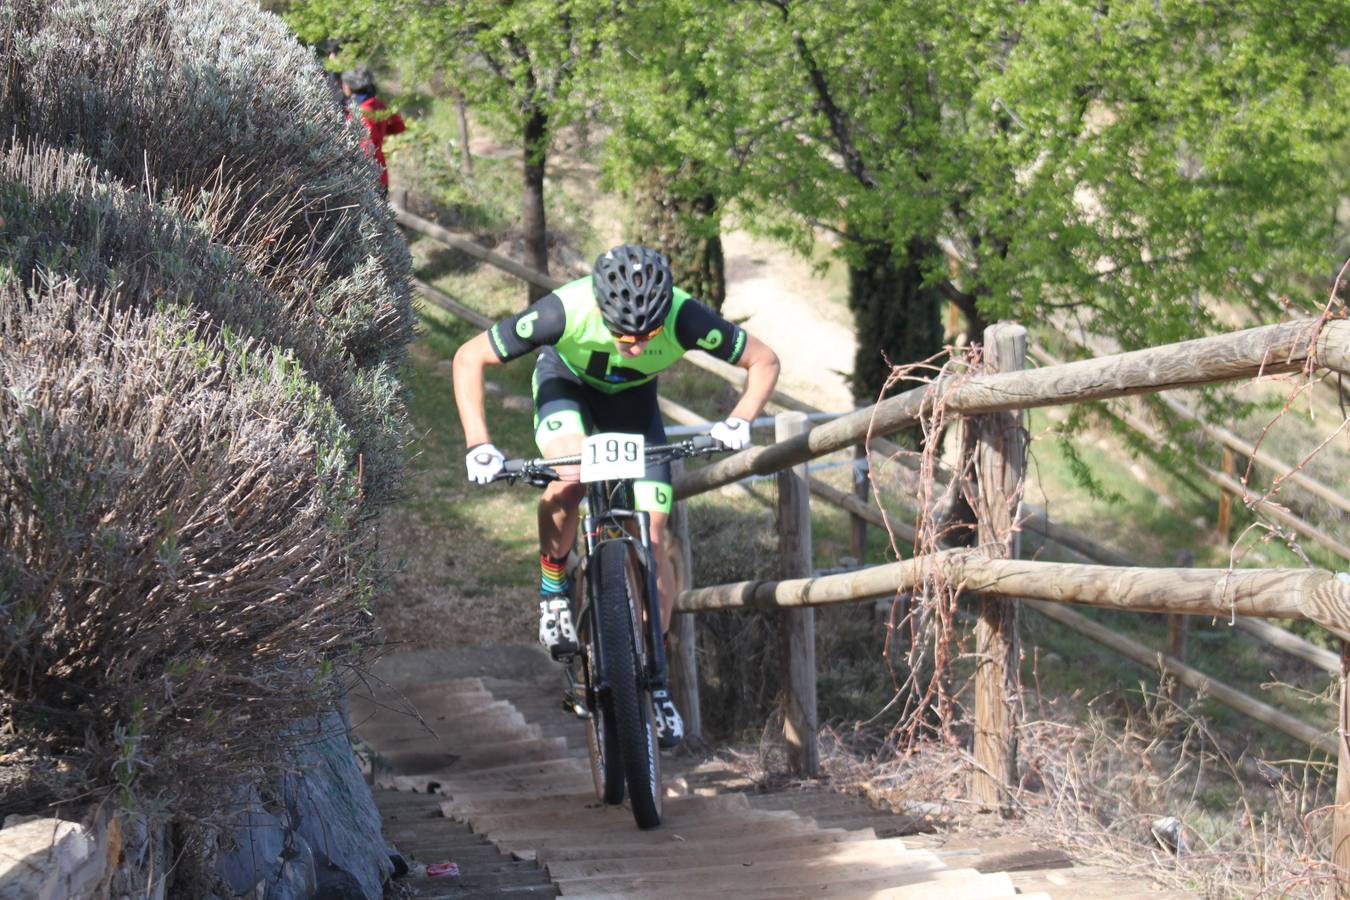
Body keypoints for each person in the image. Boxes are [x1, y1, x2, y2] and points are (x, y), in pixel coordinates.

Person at [453, 245, 780, 748]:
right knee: (572, 473)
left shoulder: (685, 315)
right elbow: (469, 355)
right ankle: (552, 590)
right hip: (568, 386)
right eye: (622, 333)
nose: (633, 344)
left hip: (635, 408)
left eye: (646, 335)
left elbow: (763, 360)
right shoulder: (566, 309)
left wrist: (743, 418)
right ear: (602, 311)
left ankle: (654, 674)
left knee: (652, 532)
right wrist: (479, 443)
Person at [340, 66, 406, 195]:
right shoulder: (376, 104)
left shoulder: (362, 111)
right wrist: (382, 131)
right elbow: (399, 126)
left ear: (350, 86)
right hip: (380, 173)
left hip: (366, 174)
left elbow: (366, 146)